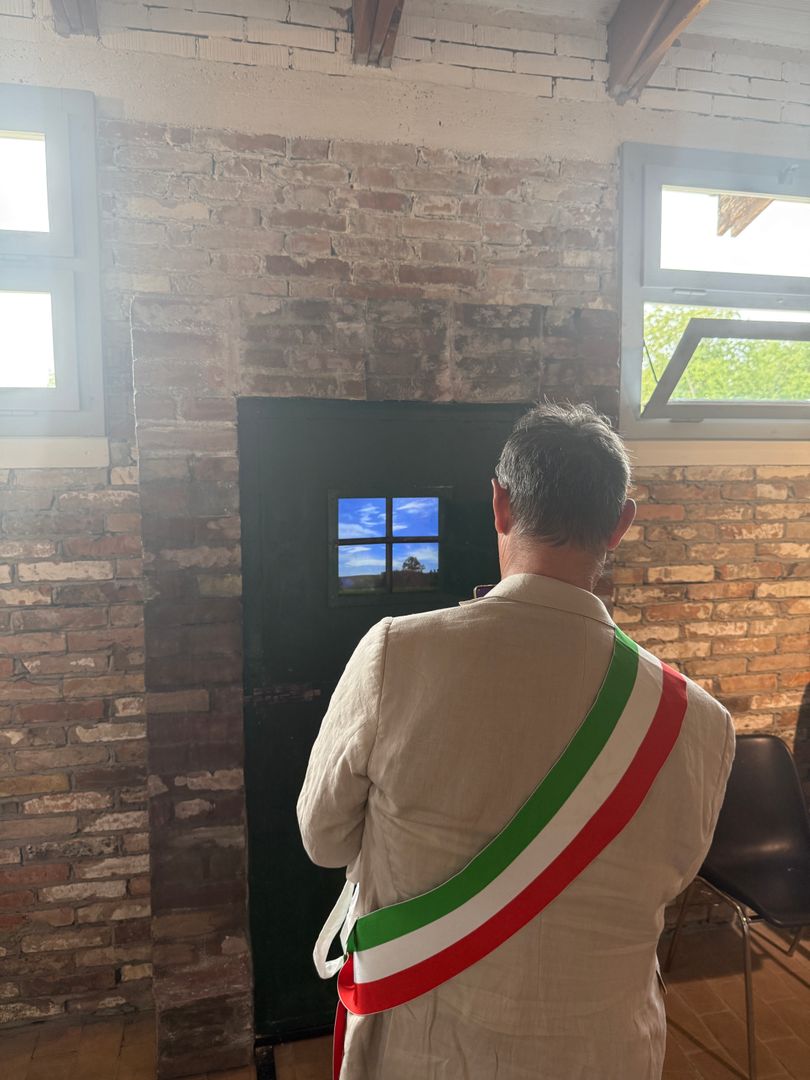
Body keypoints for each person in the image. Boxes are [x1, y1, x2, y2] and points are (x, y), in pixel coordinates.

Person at [297, 402, 734, 1080]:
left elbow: (323, 840)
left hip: (424, 1051)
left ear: (499, 504)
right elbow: (667, 878)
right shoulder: (700, 722)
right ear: (620, 524)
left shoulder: (395, 655)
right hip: (605, 1056)